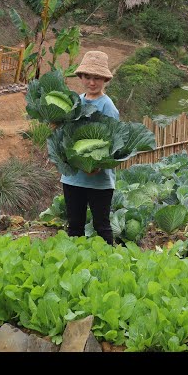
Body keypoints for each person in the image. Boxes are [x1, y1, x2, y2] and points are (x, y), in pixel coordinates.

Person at [61, 50, 119, 245]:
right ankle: (75, 262)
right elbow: (65, 134)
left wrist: (98, 165)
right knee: (74, 225)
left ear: (105, 80)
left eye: (97, 78)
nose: (92, 83)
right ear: (81, 77)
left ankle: (108, 264)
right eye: (87, 77)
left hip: (99, 181)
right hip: (73, 178)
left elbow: (113, 142)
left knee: (101, 225)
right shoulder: (75, 101)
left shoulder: (107, 106)